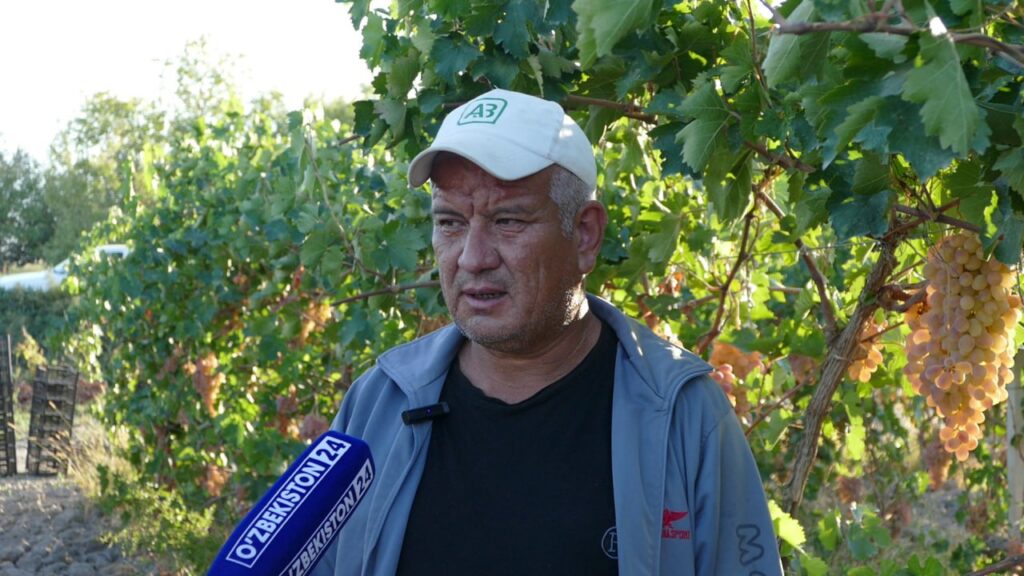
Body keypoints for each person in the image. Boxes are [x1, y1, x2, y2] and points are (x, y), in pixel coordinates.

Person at [312, 89, 783, 575]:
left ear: (585, 235)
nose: (472, 257)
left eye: (508, 220)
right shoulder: (377, 405)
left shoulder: (682, 416)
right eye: (450, 222)